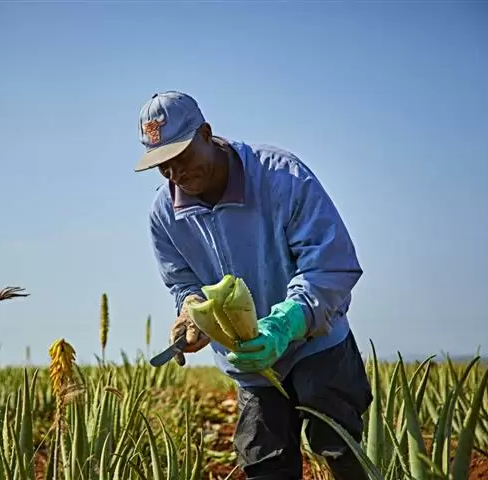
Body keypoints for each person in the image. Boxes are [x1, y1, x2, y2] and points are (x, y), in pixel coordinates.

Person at [135, 90, 373, 480]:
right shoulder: (163, 214)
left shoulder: (281, 177)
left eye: (182, 157)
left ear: (206, 134)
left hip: (318, 343)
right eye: (163, 166)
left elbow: (331, 263)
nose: (176, 173)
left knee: (339, 451)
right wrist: (191, 315)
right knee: (265, 463)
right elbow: (182, 280)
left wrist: (284, 324)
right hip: (248, 363)